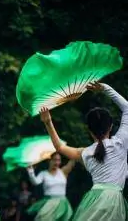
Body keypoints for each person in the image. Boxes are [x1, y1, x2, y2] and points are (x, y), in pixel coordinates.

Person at [39, 81, 128, 221]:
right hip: (113, 200)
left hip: (93, 198)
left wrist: (48, 122)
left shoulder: (85, 153)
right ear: (110, 126)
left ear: (89, 130)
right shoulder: (120, 142)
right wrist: (105, 88)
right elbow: (127, 108)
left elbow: (60, 147)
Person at [26, 153, 74, 221]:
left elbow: (73, 159)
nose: (57, 162)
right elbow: (35, 182)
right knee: (42, 219)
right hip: (49, 202)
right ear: (49, 161)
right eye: (54, 160)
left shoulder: (63, 171)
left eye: (58, 160)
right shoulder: (44, 174)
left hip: (63, 202)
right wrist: (31, 172)